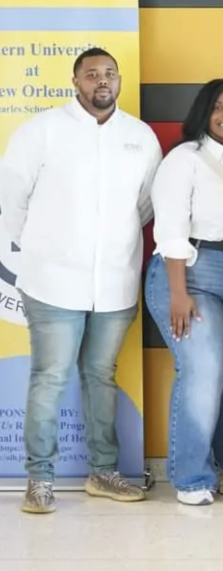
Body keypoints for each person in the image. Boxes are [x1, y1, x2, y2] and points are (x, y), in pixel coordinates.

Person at [0, 48, 162, 514]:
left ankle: (103, 472)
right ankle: (40, 480)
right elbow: (11, 196)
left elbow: (146, 204)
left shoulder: (139, 136)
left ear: (119, 80)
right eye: (92, 74)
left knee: (100, 376)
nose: (102, 81)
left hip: (114, 281)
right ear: (75, 82)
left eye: (109, 73)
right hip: (52, 281)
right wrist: (43, 245)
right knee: (49, 377)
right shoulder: (42, 130)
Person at [144, 79, 223, 506]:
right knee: (203, 372)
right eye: (218, 107)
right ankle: (192, 477)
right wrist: (177, 293)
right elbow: (170, 228)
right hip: (193, 271)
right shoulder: (185, 159)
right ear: (204, 112)